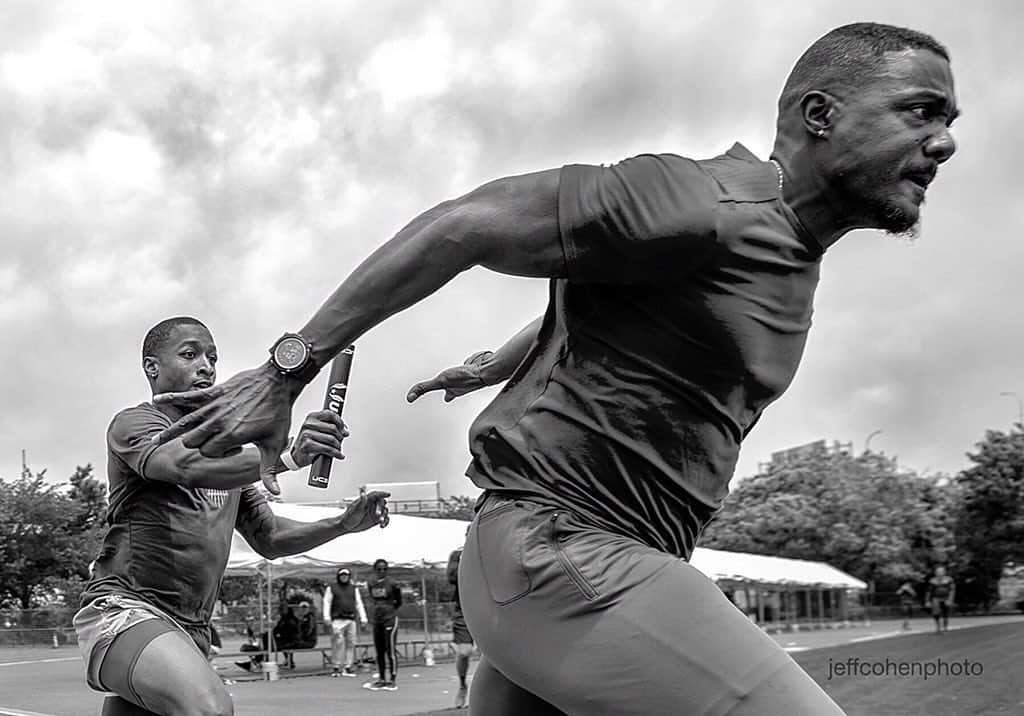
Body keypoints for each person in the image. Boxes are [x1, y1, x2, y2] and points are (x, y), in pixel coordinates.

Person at [154, 22, 958, 715]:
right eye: (921, 111)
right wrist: (286, 370)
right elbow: (463, 224)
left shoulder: (785, 256)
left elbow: (603, 305)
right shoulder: (700, 200)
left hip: (585, 565)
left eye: (950, 120)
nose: (944, 141)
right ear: (821, 114)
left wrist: (485, 365)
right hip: (566, 552)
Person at [73, 316, 391, 716]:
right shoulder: (134, 424)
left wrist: (341, 524)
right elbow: (182, 464)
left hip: (190, 631)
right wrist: (288, 455)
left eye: (212, 357)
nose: (206, 366)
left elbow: (270, 537)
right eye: (190, 354)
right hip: (126, 610)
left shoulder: (231, 459)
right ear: (152, 367)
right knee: (209, 709)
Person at [365, 558, 402, 692]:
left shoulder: (393, 583)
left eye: (384, 569)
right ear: (375, 570)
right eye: (379, 569)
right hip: (377, 619)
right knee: (379, 651)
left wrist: (390, 609)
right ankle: (381, 678)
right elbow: (372, 598)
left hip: (390, 619)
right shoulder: (371, 583)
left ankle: (392, 679)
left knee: (390, 649)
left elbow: (399, 601)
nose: (382, 571)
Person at [323, 567, 367, 677]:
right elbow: (327, 602)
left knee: (351, 643)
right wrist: (326, 617)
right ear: (339, 576)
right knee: (338, 643)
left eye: (346, 575)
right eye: (342, 575)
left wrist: (363, 618)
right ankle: (336, 666)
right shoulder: (332, 588)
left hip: (350, 619)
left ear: (349, 576)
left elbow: (358, 603)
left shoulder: (353, 588)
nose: (344, 577)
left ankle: (348, 666)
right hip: (337, 619)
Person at [447, 531, 474, 709]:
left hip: (492, 608)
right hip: (464, 609)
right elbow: (452, 577)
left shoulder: (495, 552)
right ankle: (463, 684)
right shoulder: (459, 555)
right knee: (464, 652)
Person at [926, 566, 955, 634]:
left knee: (945, 613)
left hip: (946, 597)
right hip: (936, 598)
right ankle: (938, 628)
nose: (939, 573)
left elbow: (952, 590)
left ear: (944, 572)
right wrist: (927, 601)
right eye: (938, 572)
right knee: (936, 612)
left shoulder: (949, 580)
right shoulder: (932, 581)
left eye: (941, 571)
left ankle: (945, 627)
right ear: (935, 573)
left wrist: (950, 599)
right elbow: (928, 591)